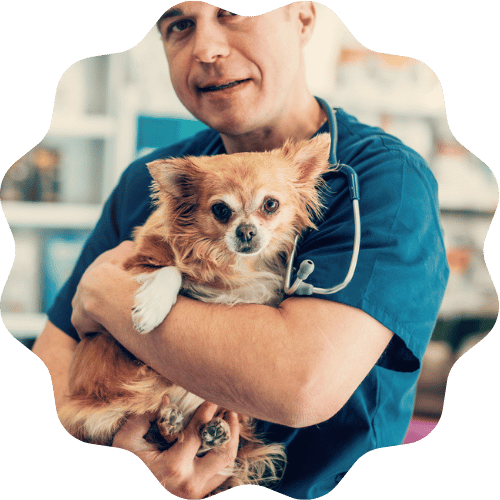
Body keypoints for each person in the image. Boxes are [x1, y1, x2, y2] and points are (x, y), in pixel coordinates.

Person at [31, 2, 449, 499]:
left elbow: (299, 385)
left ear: (304, 18)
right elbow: (52, 372)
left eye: (234, 11)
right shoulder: (159, 174)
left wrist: (106, 293)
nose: (206, 49)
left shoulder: (383, 182)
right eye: (179, 26)